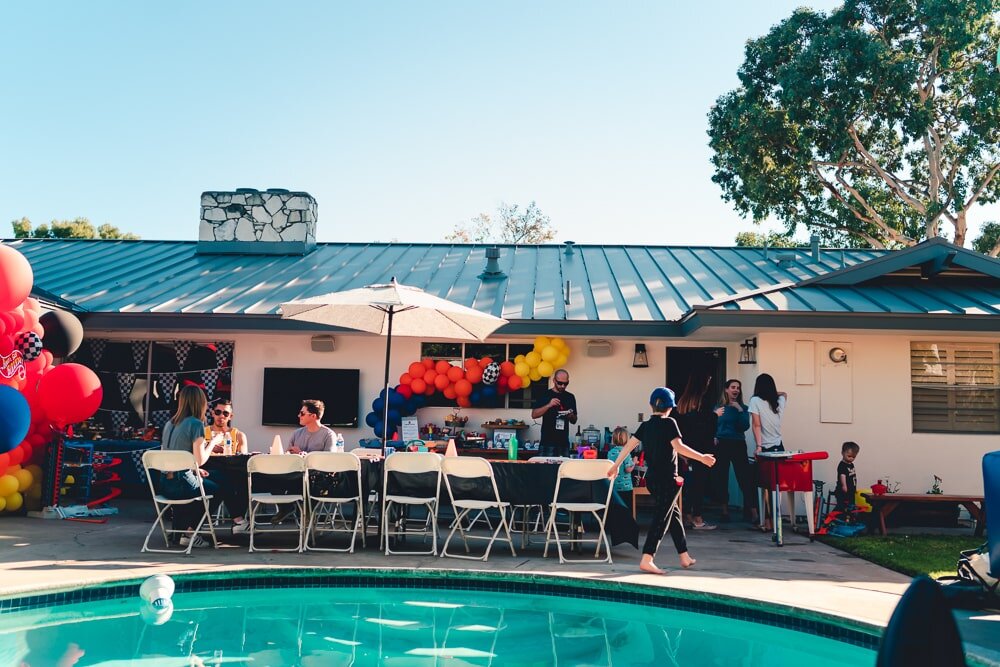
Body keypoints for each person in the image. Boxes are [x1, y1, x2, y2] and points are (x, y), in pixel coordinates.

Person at [606, 387, 716, 575]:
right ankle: (647, 558)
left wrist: (615, 465)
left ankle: (684, 556)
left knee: (673, 516)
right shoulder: (670, 423)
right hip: (667, 480)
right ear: (670, 408)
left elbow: (628, 448)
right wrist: (702, 458)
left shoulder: (646, 426)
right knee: (661, 519)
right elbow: (679, 447)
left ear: (651, 405)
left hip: (652, 480)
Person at [160, 386, 248, 543]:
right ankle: (190, 532)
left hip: (165, 483)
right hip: (183, 484)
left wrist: (194, 470)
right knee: (219, 488)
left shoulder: (169, 424)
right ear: (200, 403)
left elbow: (175, 455)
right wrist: (213, 442)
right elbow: (200, 460)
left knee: (220, 477)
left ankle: (184, 530)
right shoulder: (196, 424)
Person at [675, 371, 717, 530]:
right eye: (707, 381)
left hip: (685, 449)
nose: (708, 384)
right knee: (699, 485)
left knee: (688, 485)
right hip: (701, 451)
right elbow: (705, 427)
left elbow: (682, 426)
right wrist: (715, 415)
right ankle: (697, 518)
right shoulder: (703, 402)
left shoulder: (683, 402)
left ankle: (686, 515)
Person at [713, 379, 756, 523]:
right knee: (721, 477)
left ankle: (751, 511)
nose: (736, 390)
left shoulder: (743, 407)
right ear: (726, 389)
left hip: (738, 443)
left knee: (744, 477)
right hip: (722, 444)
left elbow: (744, 426)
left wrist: (739, 409)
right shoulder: (719, 407)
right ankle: (724, 511)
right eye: (733, 387)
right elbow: (713, 424)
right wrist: (714, 436)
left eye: (738, 387)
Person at [748, 373, 788, 531]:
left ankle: (766, 521)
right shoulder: (780, 401)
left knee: (762, 485)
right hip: (779, 447)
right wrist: (773, 393)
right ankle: (775, 520)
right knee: (776, 486)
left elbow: (756, 425)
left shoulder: (755, 401)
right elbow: (785, 393)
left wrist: (758, 446)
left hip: (765, 449)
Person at [530, 369, 577, 457]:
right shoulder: (545, 394)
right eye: (560, 383)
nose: (562, 386)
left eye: (565, 383)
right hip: (547, 441)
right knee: (545, 469)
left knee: (563, 469)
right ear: (554, 381)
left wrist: (570, 415)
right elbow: (534, 414)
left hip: (563, 442)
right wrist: (549, 405)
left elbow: (574, 420)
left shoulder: (570, 397)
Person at [606, 427, 635, 510]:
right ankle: (626, 523)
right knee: (625, 509)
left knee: (615, 508)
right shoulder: (626, 452)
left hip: (613, 486)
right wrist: (633, 462)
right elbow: (628, 469)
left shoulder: (610, 452)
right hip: (625, 488)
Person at [835, 441, 860, 511]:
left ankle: (848, 519)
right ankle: (835, 517)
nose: (851, 458)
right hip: (843, 491)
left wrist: (854, 488)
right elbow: (842, 476)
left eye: (853, 457)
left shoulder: (851, 464)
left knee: (851, 506)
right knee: (842, 506)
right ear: (842, 453)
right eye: (849, 456)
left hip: (851, 491)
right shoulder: (842, 465)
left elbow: (853, 476)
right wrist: (844, 485)